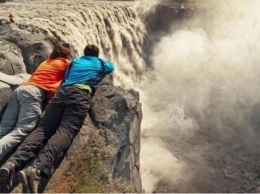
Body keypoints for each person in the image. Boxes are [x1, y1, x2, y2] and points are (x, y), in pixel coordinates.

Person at [0, 44, 115, 193]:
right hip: (80, 95)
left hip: (61, 94)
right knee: (65, 131)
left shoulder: (75, 62)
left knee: (42, 129)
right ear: (96, 54)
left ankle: (11, 164)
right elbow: (111, 67)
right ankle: (36, 169)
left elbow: (66, 77)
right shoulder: (99, 63)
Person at [0, 43, 71, 162]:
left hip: (21, 89)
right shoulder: (64, 63)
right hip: (34, 93)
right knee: (22, 130)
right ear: (65, 55)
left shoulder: (46, 62)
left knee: (4, 127)